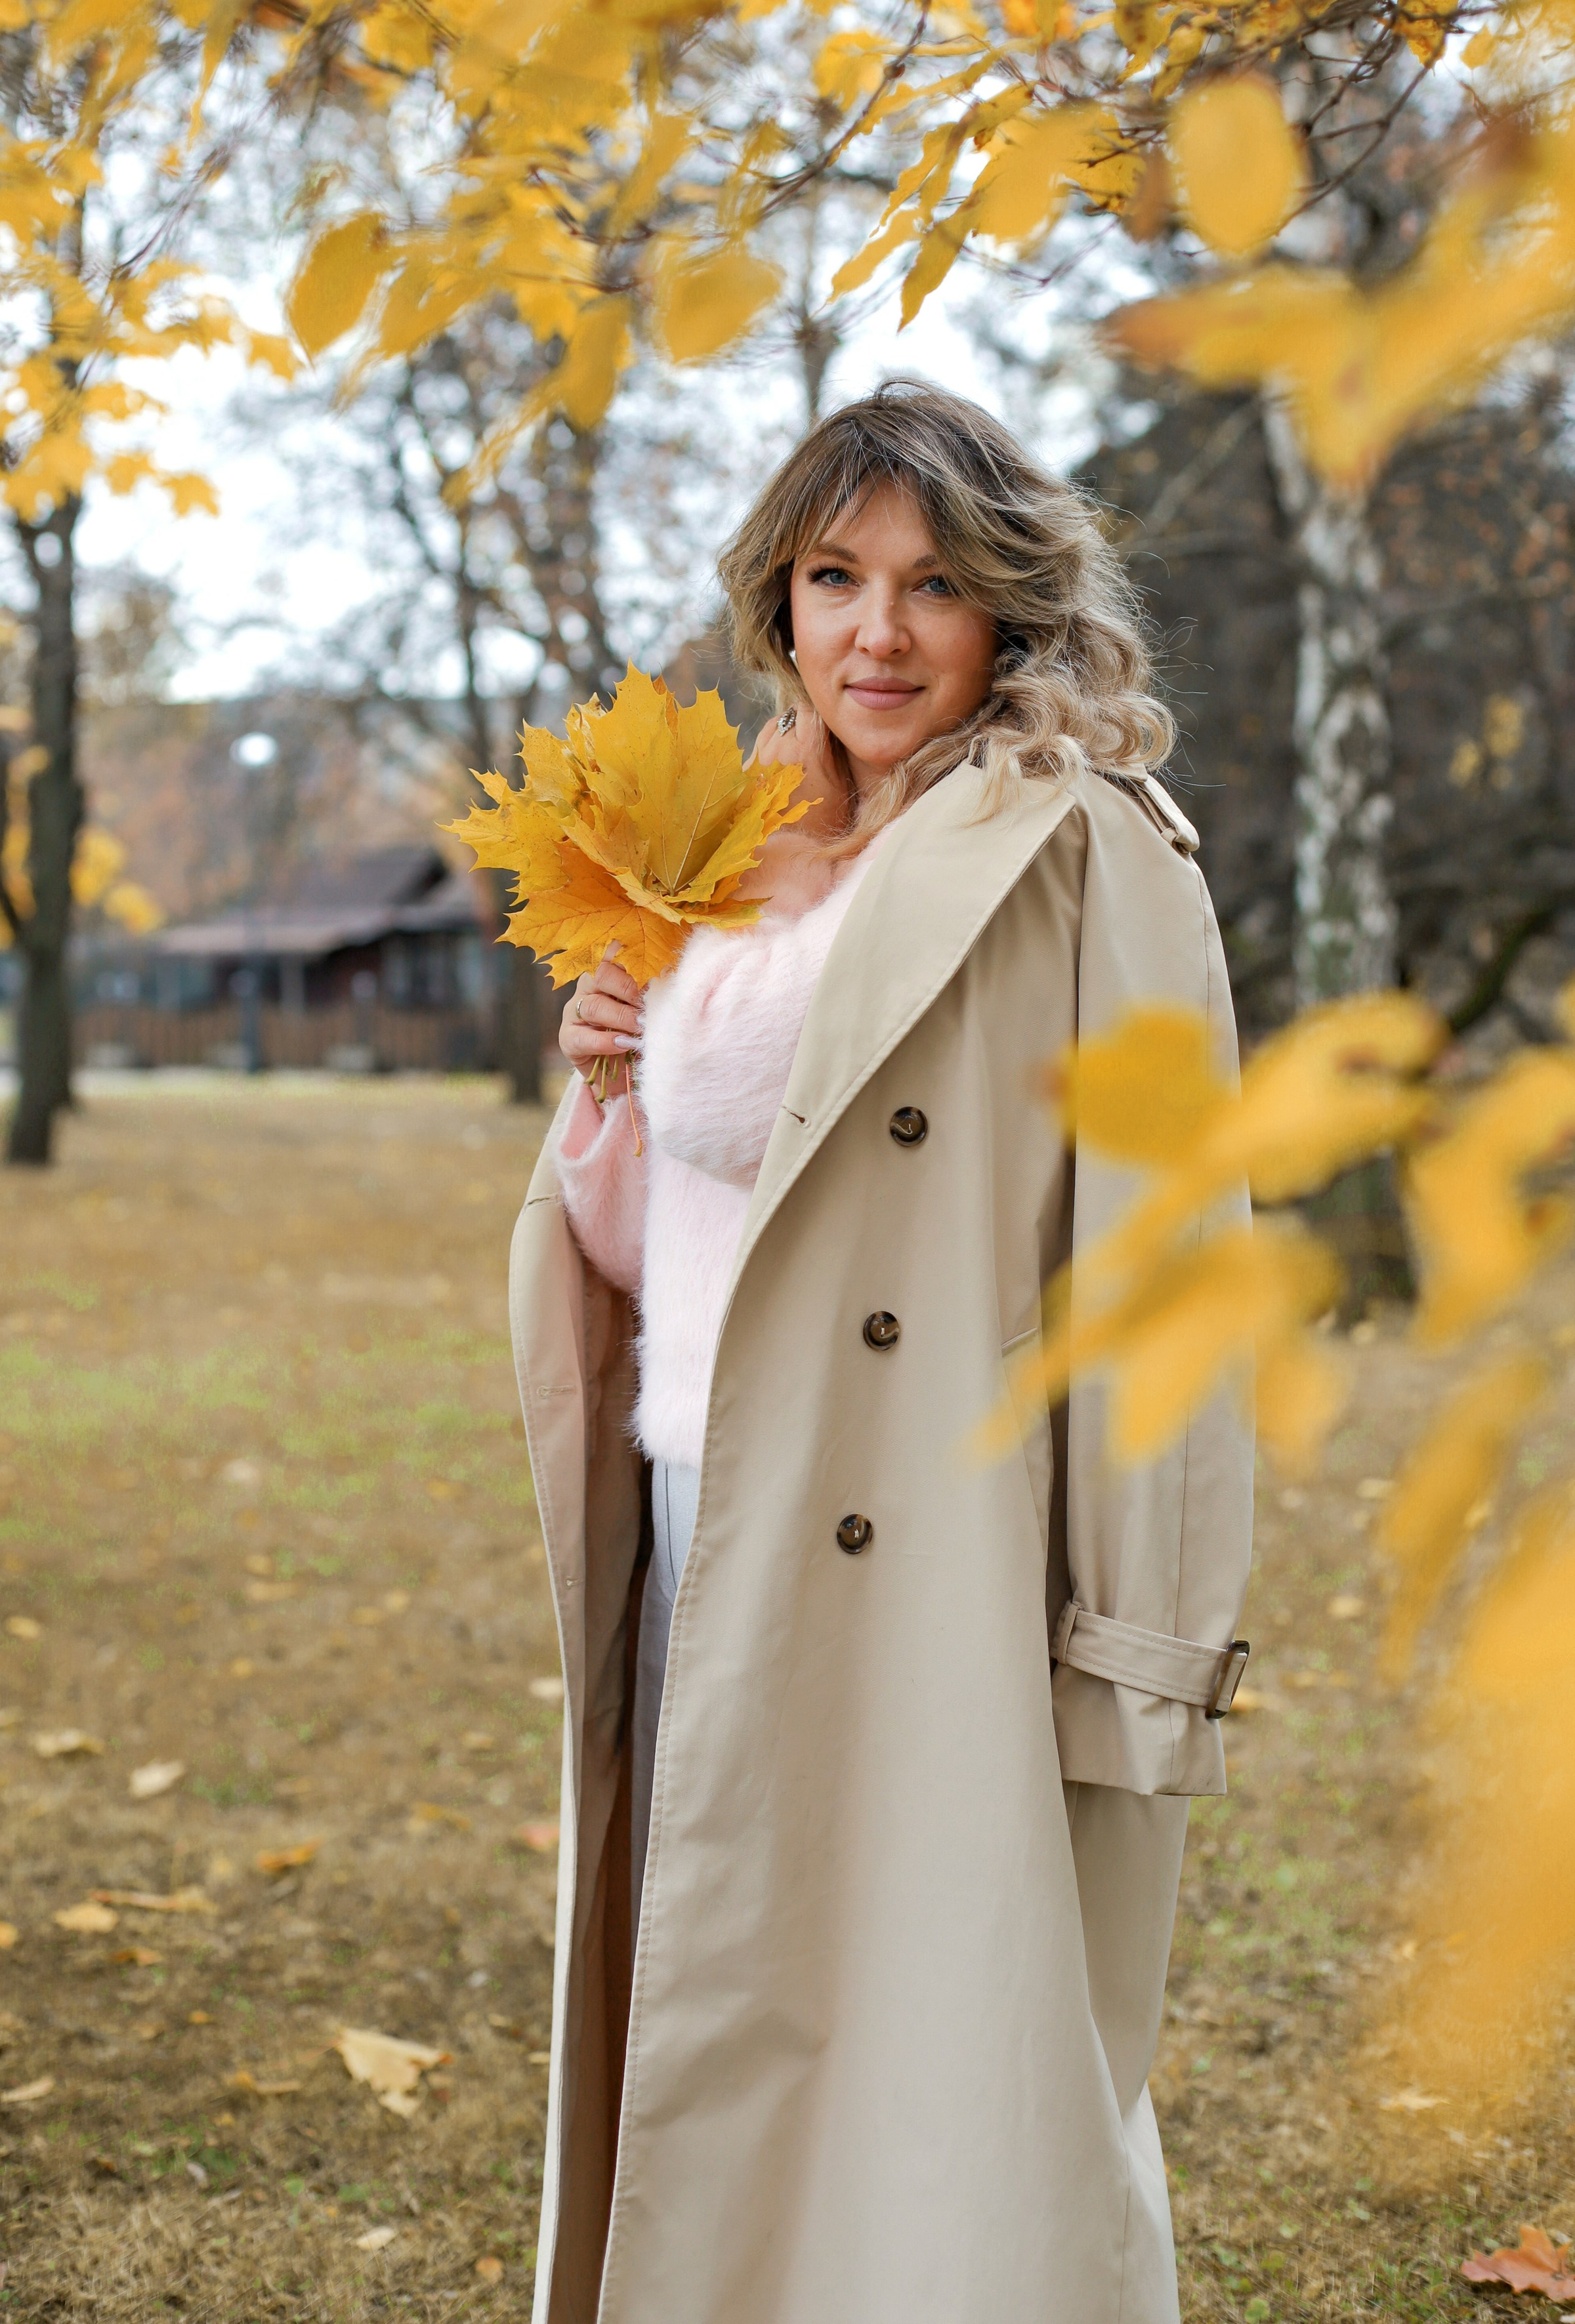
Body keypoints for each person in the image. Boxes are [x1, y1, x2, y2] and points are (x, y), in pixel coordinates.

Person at [509, 379, 1252, 2324]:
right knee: (738, 2008)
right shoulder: (731, 841)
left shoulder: (1082, 847)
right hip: (705, 1497)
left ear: (1010, 603)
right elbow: (665, 1242)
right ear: (781, 599)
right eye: (836, 578)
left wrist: (1148, 1638)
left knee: (949, 2060)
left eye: (934, 585)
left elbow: (1166, 1260)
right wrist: (606, 1081)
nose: (880, 634)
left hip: (938, 1533)